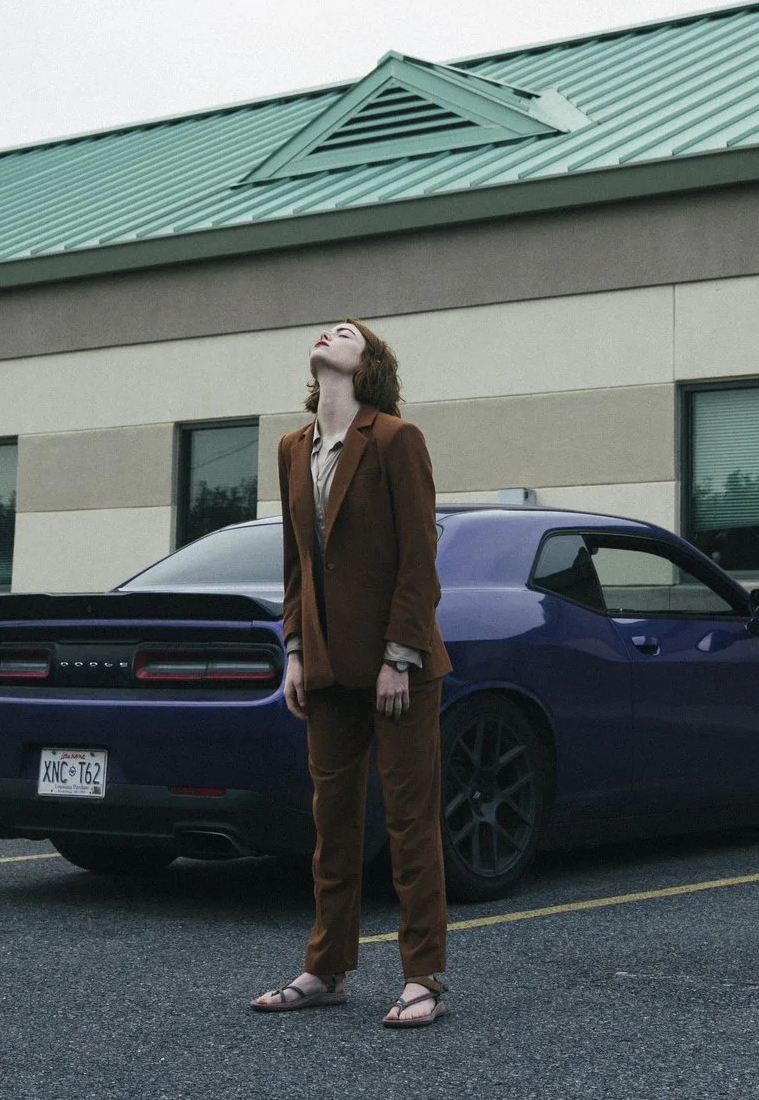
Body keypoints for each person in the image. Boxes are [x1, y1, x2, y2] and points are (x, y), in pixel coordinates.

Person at [248, 319, 452, 1029]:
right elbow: (296, 563)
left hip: (401, 668)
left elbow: (419, 559)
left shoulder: (396, 439)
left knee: (409, 824)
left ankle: (423, 977)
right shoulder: (291, 448)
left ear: (367, 363)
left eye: (345, 332)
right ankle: (325, 969)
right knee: (332, 824)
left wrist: (400, 656)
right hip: (327, 667)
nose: (328, 334)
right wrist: (294, 651)